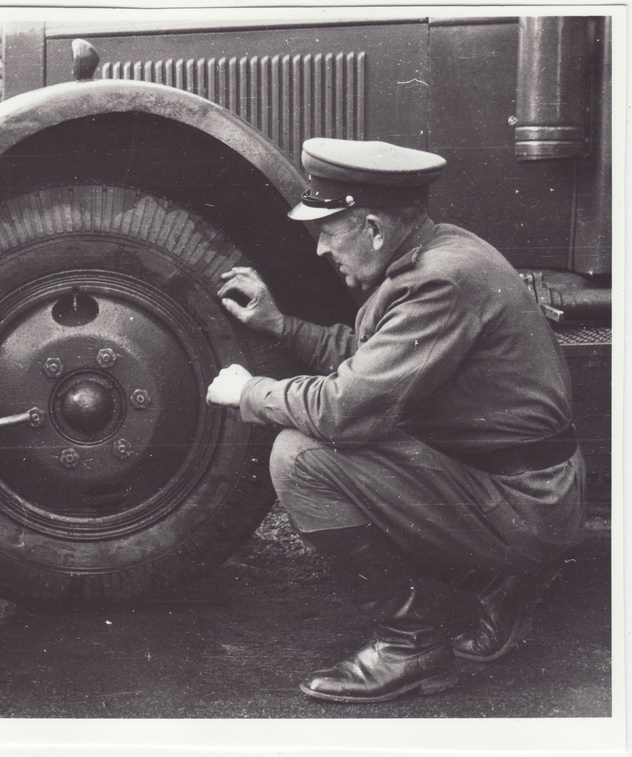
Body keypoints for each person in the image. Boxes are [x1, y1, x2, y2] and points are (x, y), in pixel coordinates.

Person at [206, 138, 585, 704]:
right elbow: (373, 363)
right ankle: (496, 583)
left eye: (329, 233)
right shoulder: (439, 252)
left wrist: (249, 391)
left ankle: (410, 646)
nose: (321, 251)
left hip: (525, 503)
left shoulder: (438, 282)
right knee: (345, 442)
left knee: (301, 457)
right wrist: (279, 325)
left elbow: (345, 409)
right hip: (519, 485)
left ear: (375, 229)